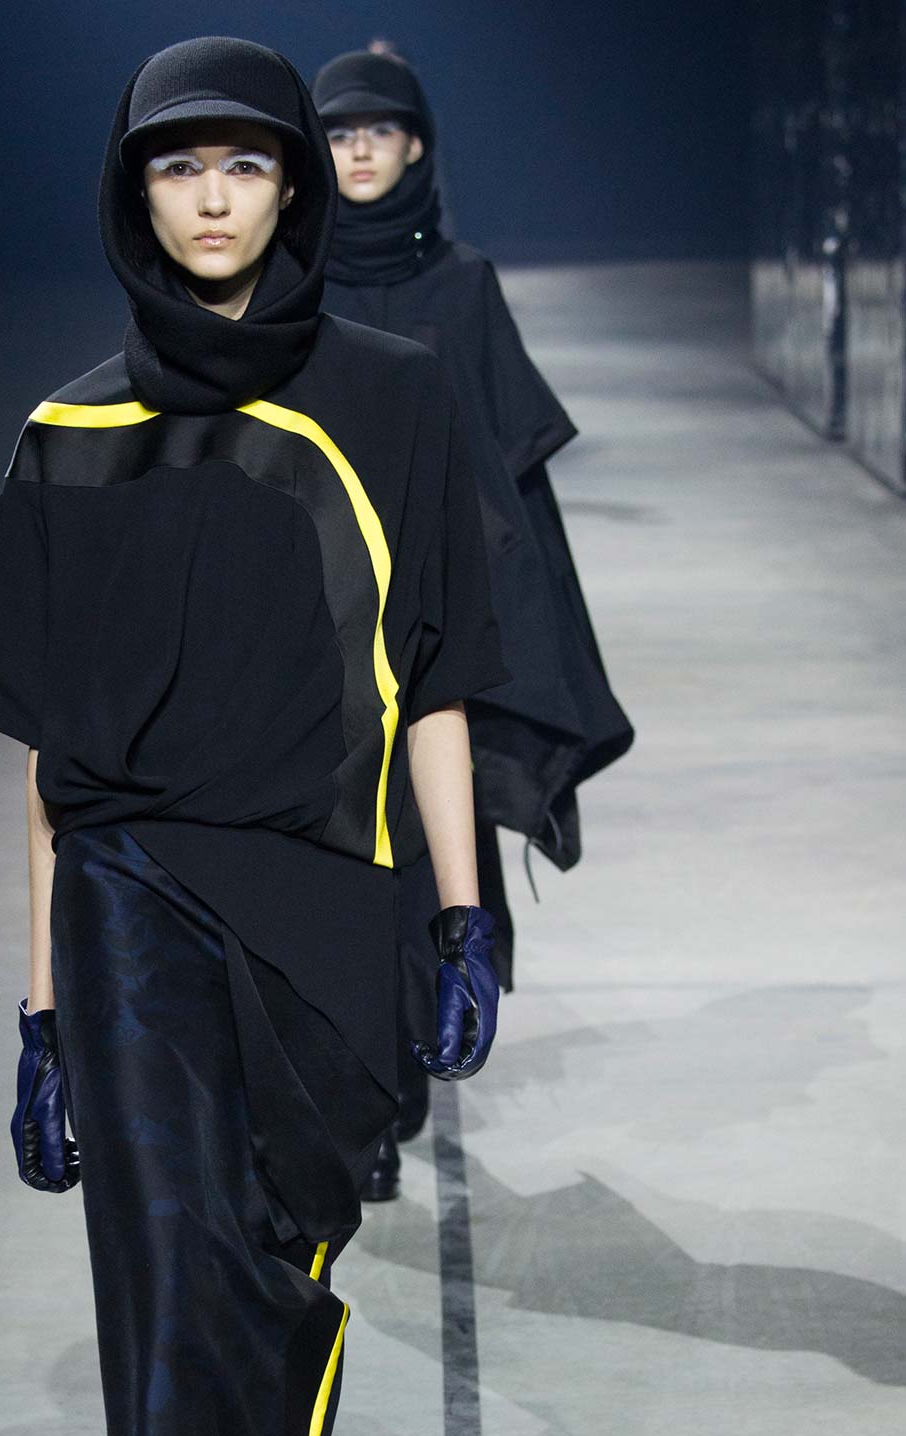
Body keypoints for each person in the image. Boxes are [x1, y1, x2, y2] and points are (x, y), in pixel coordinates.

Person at [0, 36, 506, 1436]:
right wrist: (43, 1012)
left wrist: (460, 916)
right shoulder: (63, 430)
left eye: (243, 164)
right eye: (173, 167)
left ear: (293, 188)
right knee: (169, 1346)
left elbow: (434, 675)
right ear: (134, 197)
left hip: (324, 929)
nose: (210, 196)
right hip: (131, 911)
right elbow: (46, 762)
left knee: (260, 1328)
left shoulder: (394, 394)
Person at [313, 45, 635, 1198]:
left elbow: (511, 473)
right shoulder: (287, 283)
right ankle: (360, 1092)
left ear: (416, 147)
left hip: (432, 611)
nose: (357, 150)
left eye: (378, 129)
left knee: (418, 853)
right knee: (331, 853)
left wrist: (531, 631)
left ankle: (398, 1073)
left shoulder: (462, 285)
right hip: (318, 606)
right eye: (337, 131)